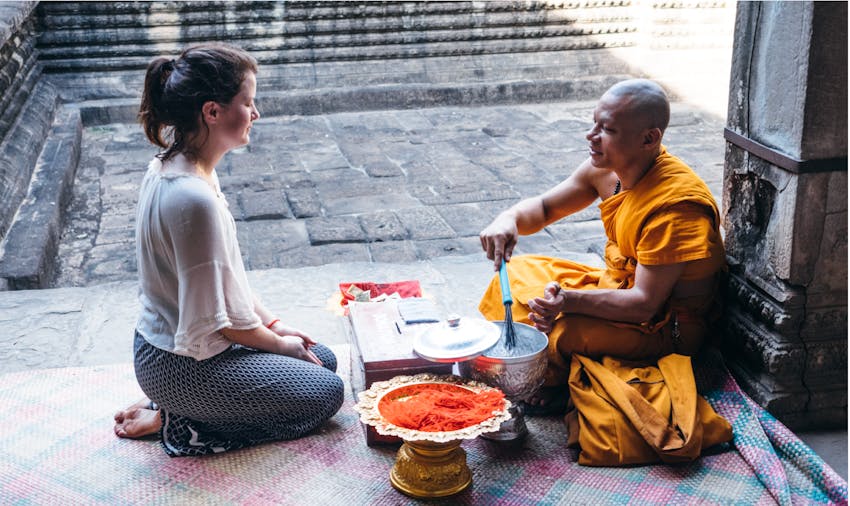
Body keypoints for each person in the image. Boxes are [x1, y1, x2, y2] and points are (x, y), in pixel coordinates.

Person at [113, 43, 344, 456]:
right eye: (248, 103)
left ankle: (175, 408)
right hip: (180, 366)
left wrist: (274, 326)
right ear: (212, 112)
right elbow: (218, 325)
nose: (256, 114)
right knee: (326, 392)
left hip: (174, 352)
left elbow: (225, 280)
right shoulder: (192, 199)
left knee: (321, 359)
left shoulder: (180, 168)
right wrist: (275, 344)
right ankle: (180, 421)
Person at [478, 79, 725, 413]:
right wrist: (508, 219)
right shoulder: (609, 170)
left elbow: (643, 305)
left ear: (649, 138)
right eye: (593, 123)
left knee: (560, 331)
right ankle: (556, 369)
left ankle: (554, 383)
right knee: (518, 272)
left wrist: (568, 302)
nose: (591, 136)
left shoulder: (676, 207)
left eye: (607, 129)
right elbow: (546, 208)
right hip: (618, 287)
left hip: (667, 327)